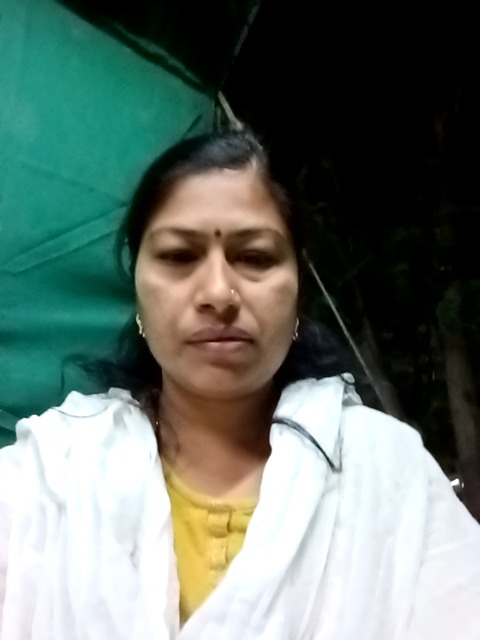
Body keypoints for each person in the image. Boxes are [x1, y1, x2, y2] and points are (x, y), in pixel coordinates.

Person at [0, 128, 479, 640]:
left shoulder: (388, 475)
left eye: (254, 258)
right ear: (137, 288)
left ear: (298, 290)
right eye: (179, 257)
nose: (218, 293)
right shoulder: (47, 479)